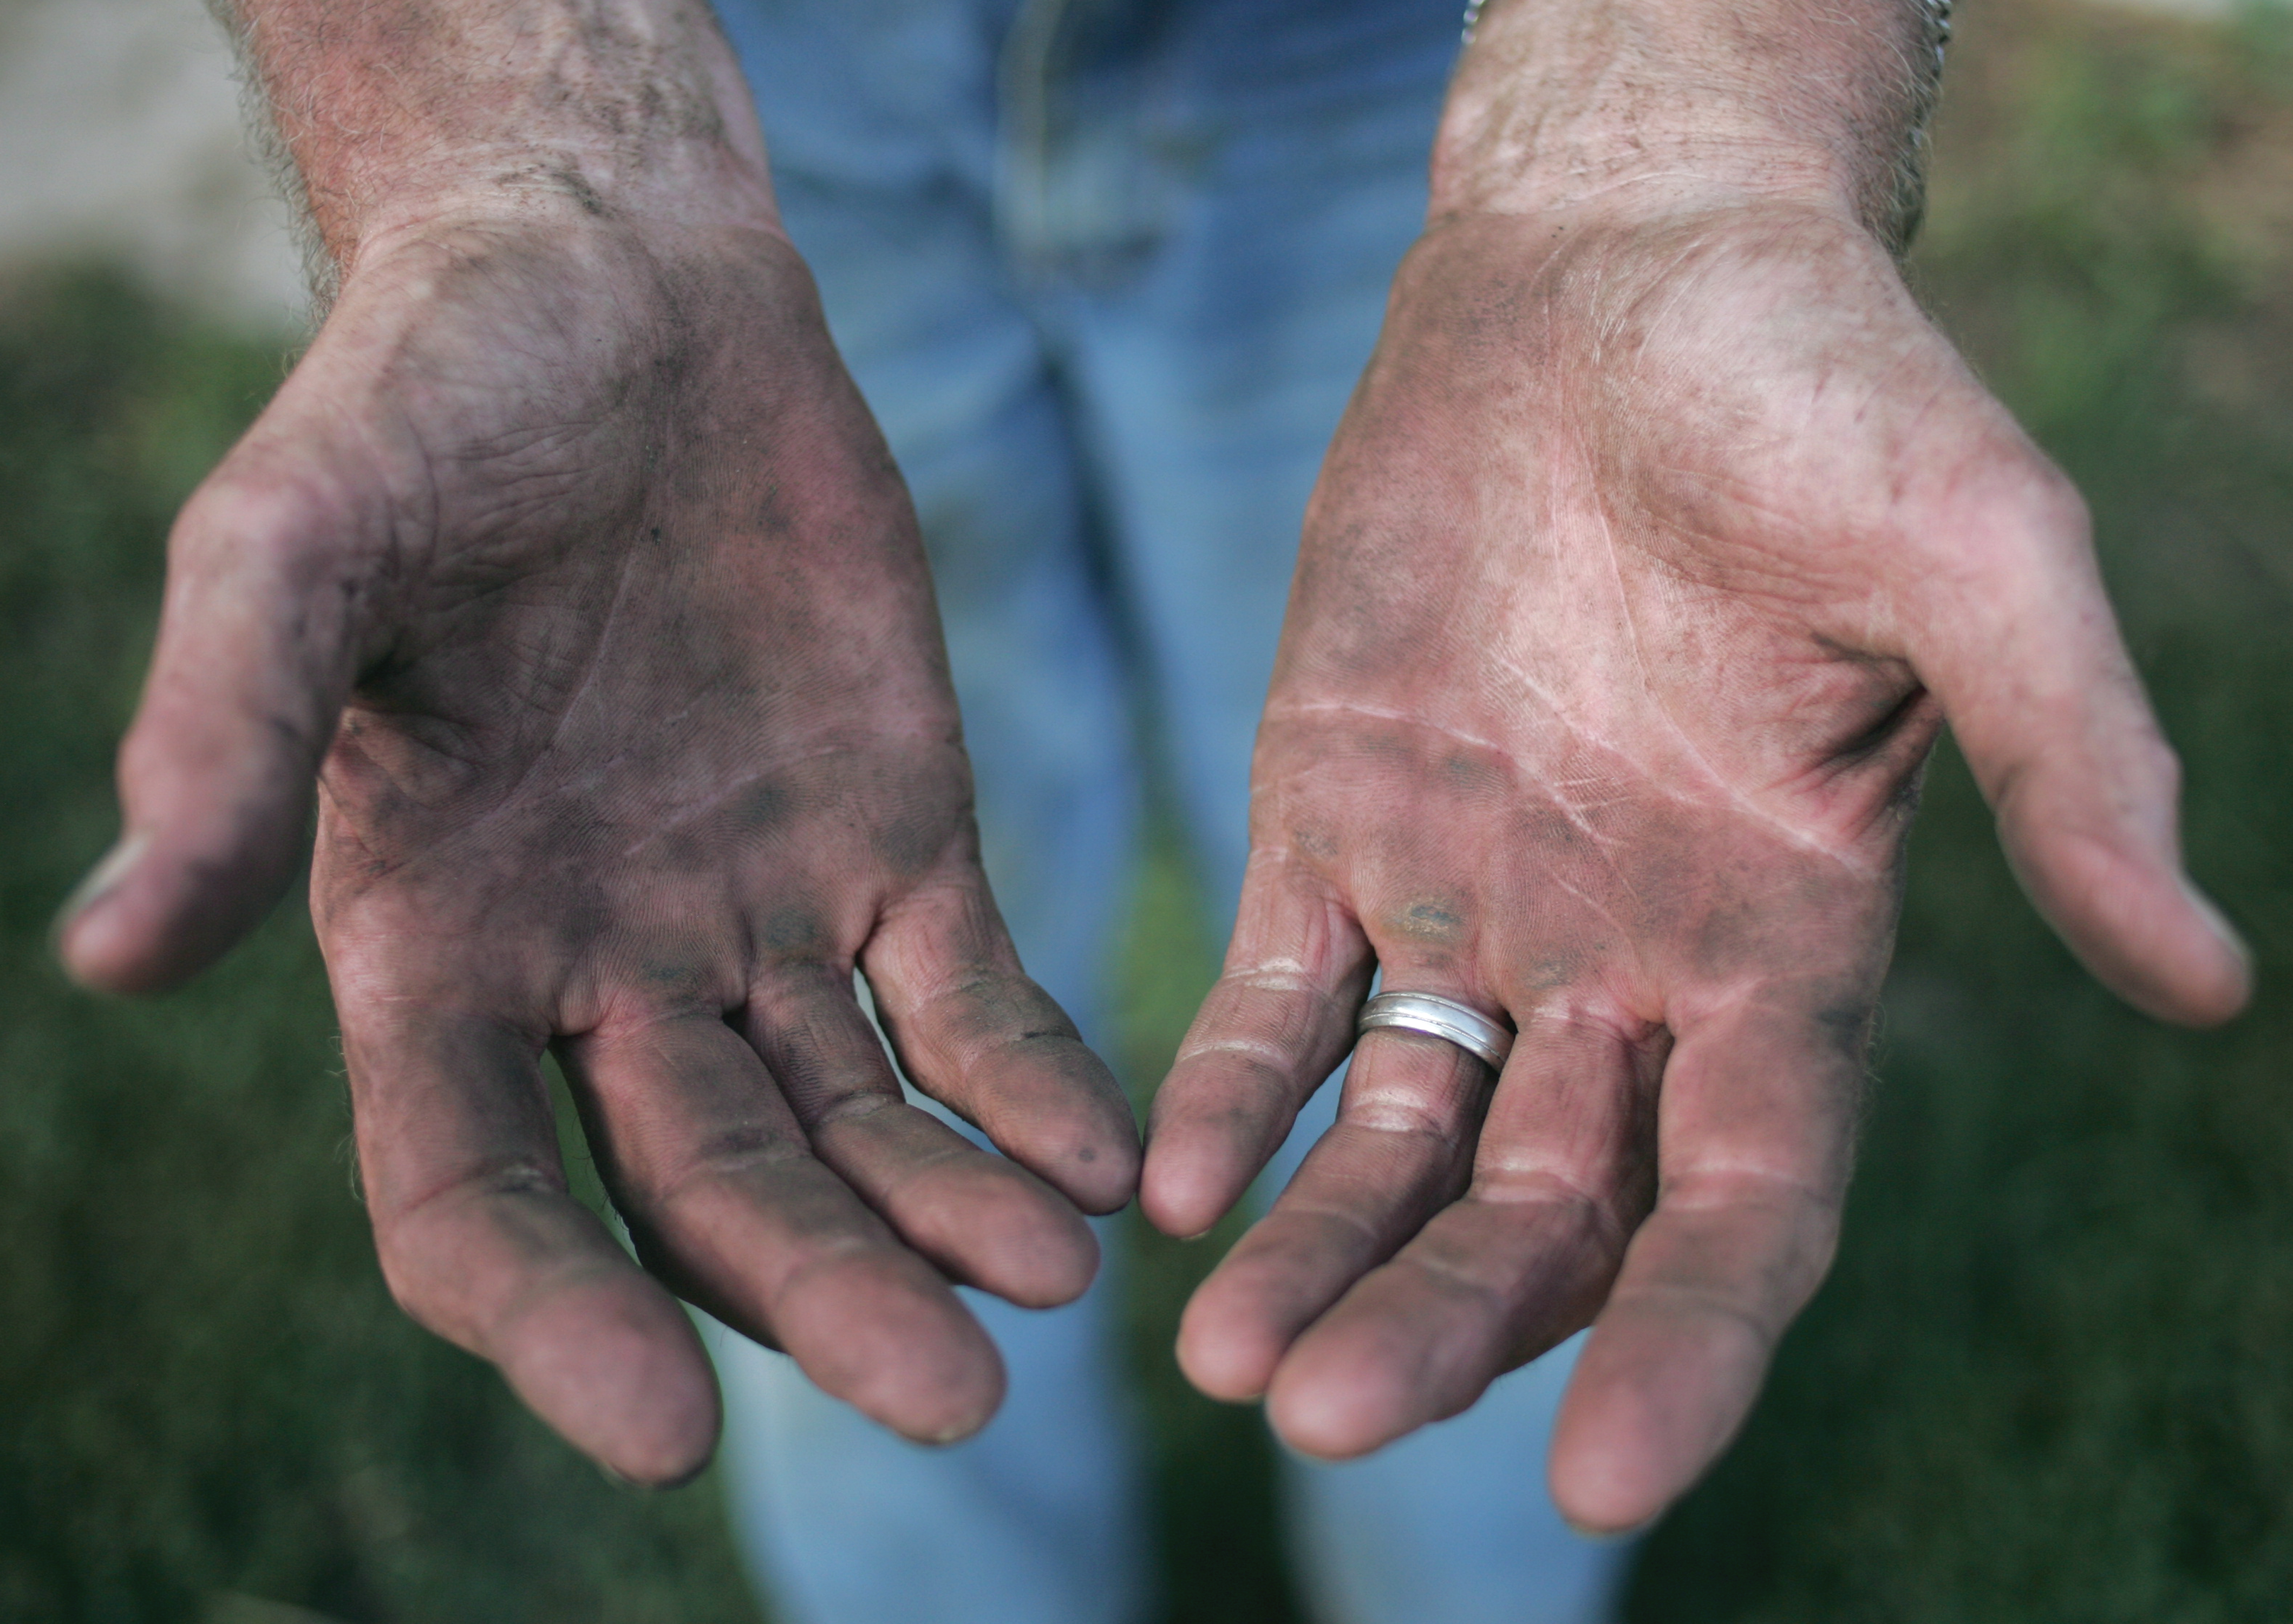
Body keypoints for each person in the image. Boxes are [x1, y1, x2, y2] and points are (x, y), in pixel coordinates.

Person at [51, 0, 2250, 1620]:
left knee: (1480, 1030)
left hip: (1448, 68)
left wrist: (1679, 134)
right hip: (698, 80)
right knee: (798, 1008)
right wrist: (514, 143)